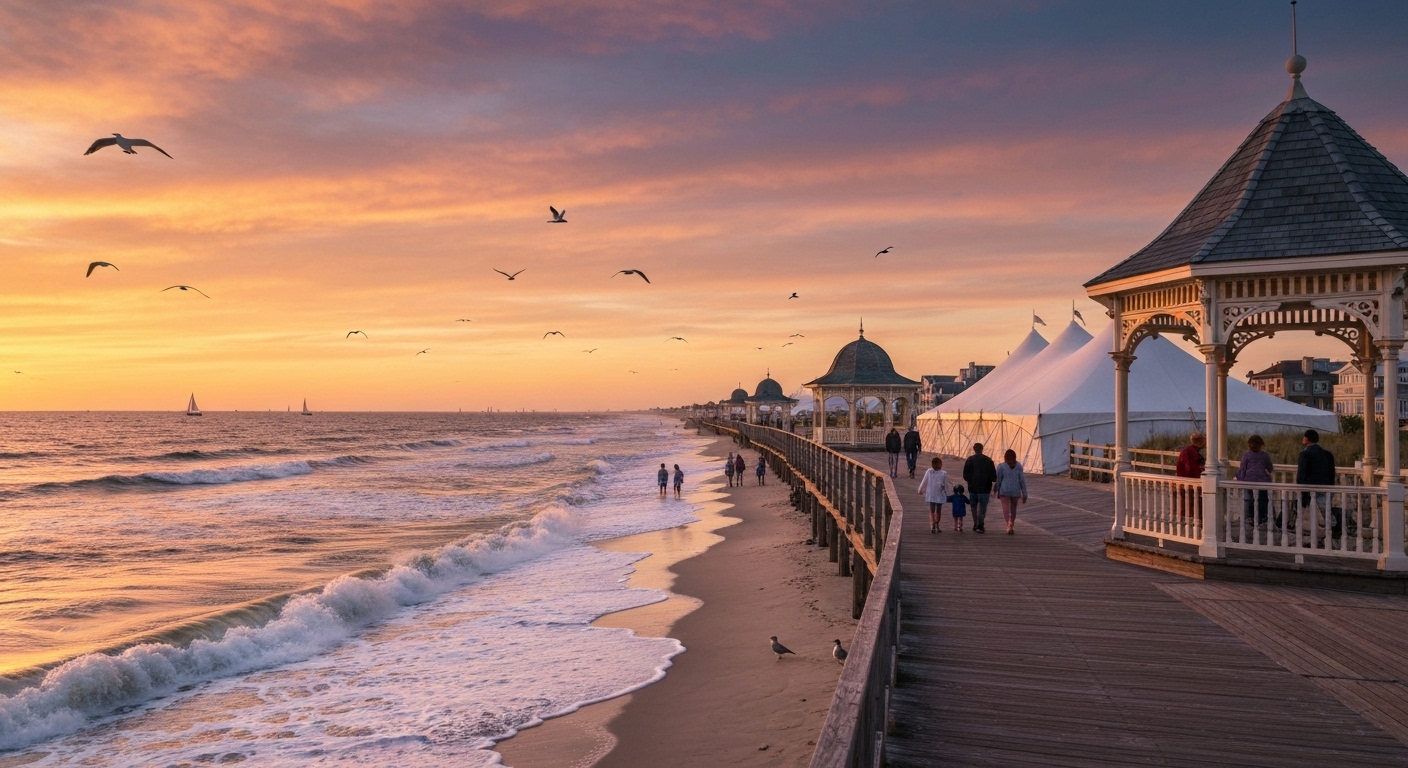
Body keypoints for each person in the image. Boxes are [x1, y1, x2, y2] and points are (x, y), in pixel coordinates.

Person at [1296, 428, 1337, 544]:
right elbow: (1331, 472)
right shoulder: (1327, 454)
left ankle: (1314, 537)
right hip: (1325, 486)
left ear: (1307, 439)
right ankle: (1331, 533)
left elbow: (1302, 474)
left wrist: (1301, 490)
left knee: (1308, 514)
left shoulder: (1305, 454)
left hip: (1310, 488)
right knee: (1326, 512)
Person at [1234, 435, 1273, 532]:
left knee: (1249, 500)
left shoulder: (1246, 454)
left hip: (1249, 481)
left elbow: (1243, 468)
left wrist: (1239, 479)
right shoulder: (1264, 455)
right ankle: (1261, 519)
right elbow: (1270, 467)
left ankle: (1250, 518)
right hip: (1263, 482)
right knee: (1262, 501)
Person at [962, 443, 996, 534]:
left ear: (974, 449)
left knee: (973, 507)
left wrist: (971, 480)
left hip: (973, 488)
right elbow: (994, 477)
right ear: (982, 449)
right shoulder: (988, 460)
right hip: (985, 488)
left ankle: (975, 524)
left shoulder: (970, 460)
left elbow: (965, 475)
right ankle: (980, 524)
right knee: (982, 508)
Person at [995, 449, 1027, 535]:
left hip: (1004, 490)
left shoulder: (1001, 466)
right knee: (1013, 508)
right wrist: (1024, 494)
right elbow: (1022, 480)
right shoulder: (1019, 466)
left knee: (1006, 508)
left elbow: (998, 480)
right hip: (1015, 491)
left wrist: (996, 489)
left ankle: (1008, 522)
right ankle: (1012, 521)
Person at [1175, 432, 1206, 518]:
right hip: (1187, 481)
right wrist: (1202, 470)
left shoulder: (1190, 451)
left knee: (1189, 502)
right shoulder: (1190, 452)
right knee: (1189, 502)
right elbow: (1190, 468)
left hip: (1186, 480)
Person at [917, 457, 950, 534]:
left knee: (932, 510)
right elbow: (945, 485)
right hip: (939, 494)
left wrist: (920, 490)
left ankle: (932, 525)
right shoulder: (943, 473)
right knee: (938, 510)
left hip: (931, 494)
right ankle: (937, 524)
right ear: (941, 465)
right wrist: (947, 493)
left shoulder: (929, 471)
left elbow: (924, 481)